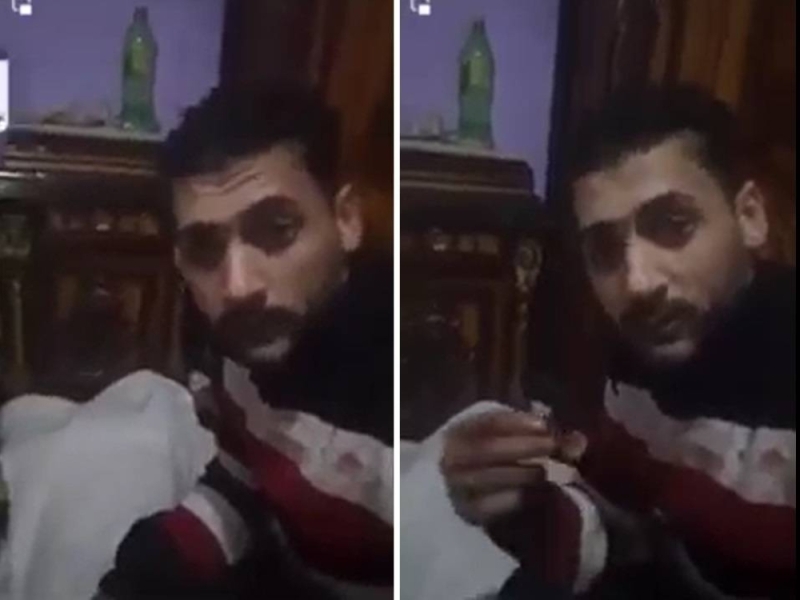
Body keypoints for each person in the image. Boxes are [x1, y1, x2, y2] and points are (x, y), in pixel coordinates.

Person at [440, 86, 795, 599]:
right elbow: (626, 537)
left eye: (673, 225)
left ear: (751, 217)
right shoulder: (637, 350)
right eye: (604, 250)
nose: (637, 282)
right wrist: (520, 507)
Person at [98, 82, 393, 599]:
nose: (237, 287)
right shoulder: (238, 342)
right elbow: (246, 479)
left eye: (277, 229)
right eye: (204, 248)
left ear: (346, 219)